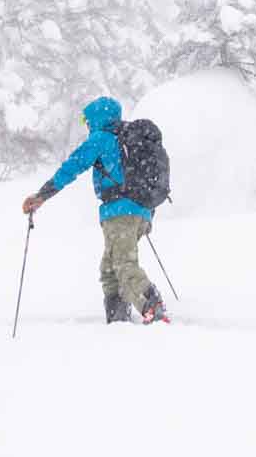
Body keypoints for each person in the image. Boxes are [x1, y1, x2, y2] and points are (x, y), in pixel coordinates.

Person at [22, 96, 168, 325]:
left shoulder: (101, 139)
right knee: (110, 268)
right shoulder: (128, 140)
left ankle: (151, 305)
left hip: (121, 212)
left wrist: (42, 195)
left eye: (86, 120)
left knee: (122, 263)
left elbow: (71, 167)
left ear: (97, 119)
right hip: (139, 211)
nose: (86, 125)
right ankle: (117, 318)